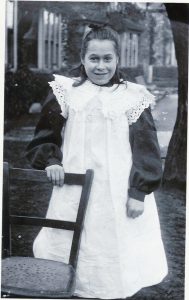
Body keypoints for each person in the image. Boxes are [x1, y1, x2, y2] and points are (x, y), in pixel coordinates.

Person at [25, 24, 168, 299]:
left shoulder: (132, 97)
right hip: (74, 188)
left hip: (117, 191)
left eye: (107, 59)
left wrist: (138, 191)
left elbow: (146, 149)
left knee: (113, 252)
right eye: (94, 58)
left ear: (117, 60)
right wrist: (51, 161)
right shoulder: (66, 91)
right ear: (82, 58)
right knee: (70, 250)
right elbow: (44, 135)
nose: (100, 66)